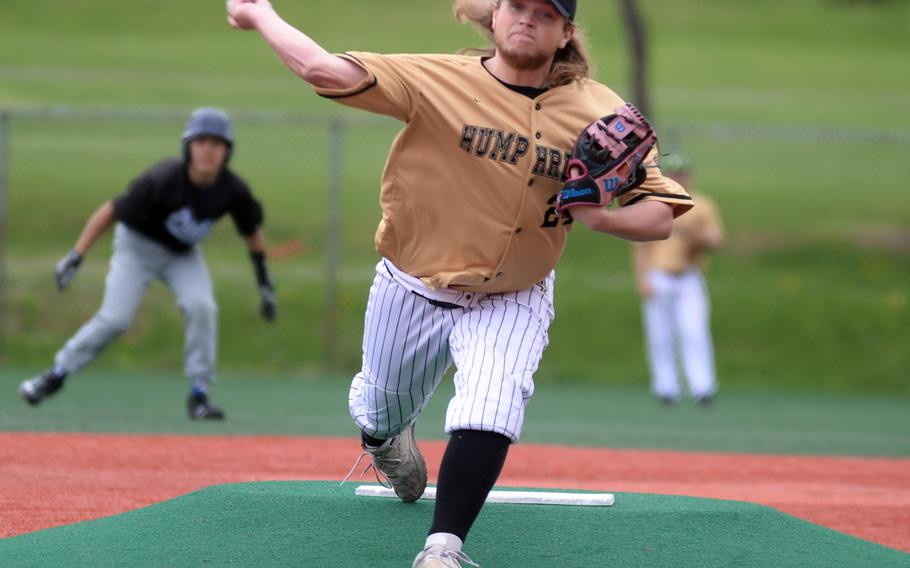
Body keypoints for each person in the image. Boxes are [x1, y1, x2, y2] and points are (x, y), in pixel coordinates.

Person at [226, 0, 692, 565]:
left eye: (545, 14)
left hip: (515, 293)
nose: (528, 19)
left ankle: (442, 549)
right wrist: (260, 14)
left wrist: (603, 217)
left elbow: (662, 215)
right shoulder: (436, 79)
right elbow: (324, 71)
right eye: (517, 6)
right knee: (381, 407)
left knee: (492, 406)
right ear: (494, 18)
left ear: (566, 32)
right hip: (413, 284)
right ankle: (384, 439)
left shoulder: (599, 110)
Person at [17, 108, 277, 420]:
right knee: (115, 319)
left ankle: (199, 394)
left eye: (218, 143)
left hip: (182, 254)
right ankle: (57, 373)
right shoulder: (163, 178)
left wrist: (264, 282)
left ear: (228, 151)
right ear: (188, 146)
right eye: (201, 141)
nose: (209, 150)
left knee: (202, 306)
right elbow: (110, 210)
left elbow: (252, 233)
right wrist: (77, 255)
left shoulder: (233, 190)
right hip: (137, 247)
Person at [633, 152, 723, 405]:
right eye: (673, 172)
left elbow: (715, 240)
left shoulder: (702, 206)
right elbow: (641, 246)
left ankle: (702, 386)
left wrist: (702, 240)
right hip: (659, 274)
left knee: (694, 331)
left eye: (682, 173)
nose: (678, 177)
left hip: (689, 276)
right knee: (660, 334)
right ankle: (666, 387)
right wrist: (642, 278)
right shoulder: (652, 203)